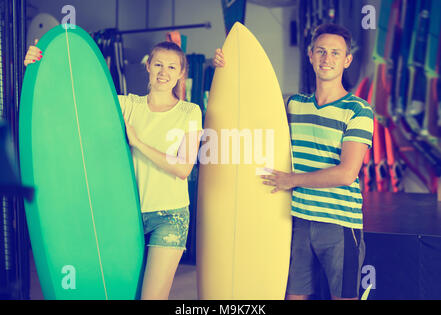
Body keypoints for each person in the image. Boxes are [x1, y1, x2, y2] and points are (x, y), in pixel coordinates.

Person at [25, 40, 203, 300]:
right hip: (125, 217)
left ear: (180, 73)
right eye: (158, 65)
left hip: (170, 217)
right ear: (148, 67)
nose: (164, 72)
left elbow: (184, 168)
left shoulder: (189, 112)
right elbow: (75, 99)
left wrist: (138, 143)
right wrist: (38, 65)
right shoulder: (127, 105)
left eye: (171, 67)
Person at [214, 23, 373, 300]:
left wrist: (291, 180)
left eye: (336, 53)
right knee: (292, 297)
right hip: (297, 219)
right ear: (310, 55)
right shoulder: (293, 105)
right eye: (321, 51)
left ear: (347, 60)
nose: (327, 58)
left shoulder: (357, 109)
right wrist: (228, 70)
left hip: (339, 224)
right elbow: (253, 109)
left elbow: (347, 173)